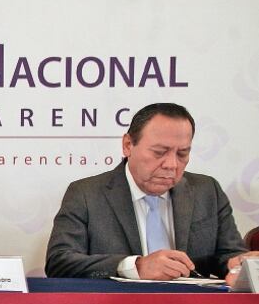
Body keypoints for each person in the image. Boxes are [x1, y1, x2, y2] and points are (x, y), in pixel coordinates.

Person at [45, 102, 257, 280]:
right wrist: (136, 267)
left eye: (182, 153)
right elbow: (59, 262)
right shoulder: (86, 194)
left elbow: (228, 254)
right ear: (128, 145)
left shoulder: (207, 190)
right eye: (159, 152)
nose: (172, 164)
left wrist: (236, 264)